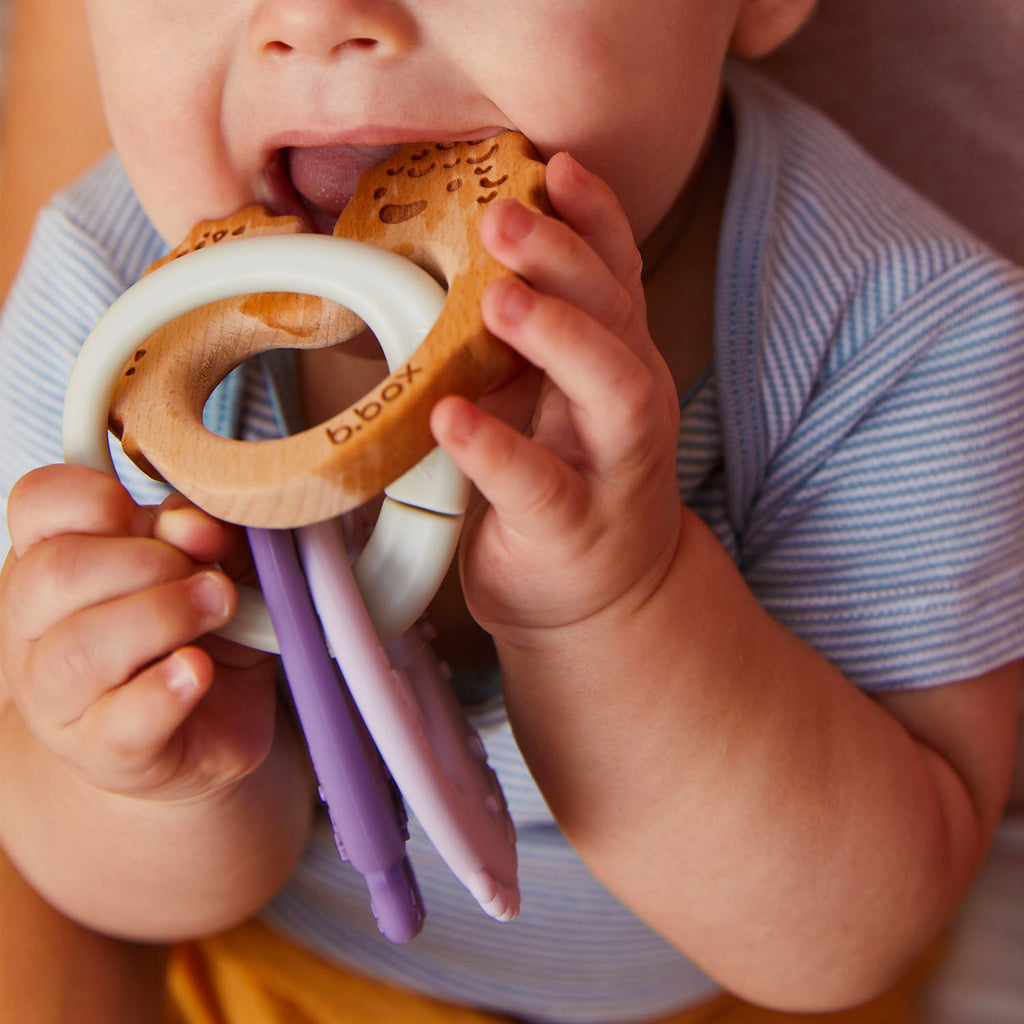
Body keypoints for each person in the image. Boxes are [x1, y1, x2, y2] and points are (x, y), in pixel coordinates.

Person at [1, 2, 1022, 1022]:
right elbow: (98, 883)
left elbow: (848, 936)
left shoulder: (897, 341)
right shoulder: (108, 331)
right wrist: (158, 776)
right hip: (276, 979)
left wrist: (626, 603)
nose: (315, 20)